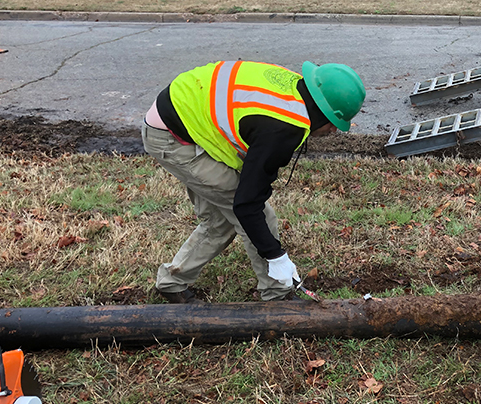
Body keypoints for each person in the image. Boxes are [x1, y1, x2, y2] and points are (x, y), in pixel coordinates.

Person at [142, 60, 366, 303]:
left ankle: (171, 283)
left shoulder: (294, 86)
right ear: (325, 113)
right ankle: (277, 294)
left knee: (220, 220)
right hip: (173, 136)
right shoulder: (282, 129)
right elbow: (247, 205)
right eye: (335, 123)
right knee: (258, 217)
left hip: (187, 111)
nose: (334, 131)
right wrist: (275, 256)